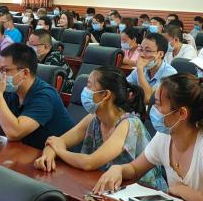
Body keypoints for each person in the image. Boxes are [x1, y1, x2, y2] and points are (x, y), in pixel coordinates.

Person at [94, 74, 203, 201]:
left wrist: (180, 189)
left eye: (158, 104)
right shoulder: (164, 136)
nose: (153, 109)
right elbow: (135, 169)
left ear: (181, 113)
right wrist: (118, 169)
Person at [35, 67, 165, 190]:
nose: (85, 90)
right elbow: (57, 141)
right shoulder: (94, 117)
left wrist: (59, 151)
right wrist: (48, 154)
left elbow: (89, 163)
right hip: (107, 184)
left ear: (106, 95)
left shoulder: (128, 124)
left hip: (142, 193)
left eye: (89, 86)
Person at [0, 43, 73, 149]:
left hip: (56, 156)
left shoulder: (45, 96)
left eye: (5, 70)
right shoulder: (10, 90)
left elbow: (14, 133)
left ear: (25, 73)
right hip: (25, 151)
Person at [128, 32, 177, 102]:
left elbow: (149, 99)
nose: (142, 55)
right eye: (141, 49)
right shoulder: (144, 68)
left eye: (148, 50)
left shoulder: (170, 74)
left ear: (160, 54)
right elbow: (124, 86)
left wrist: (140, 69)